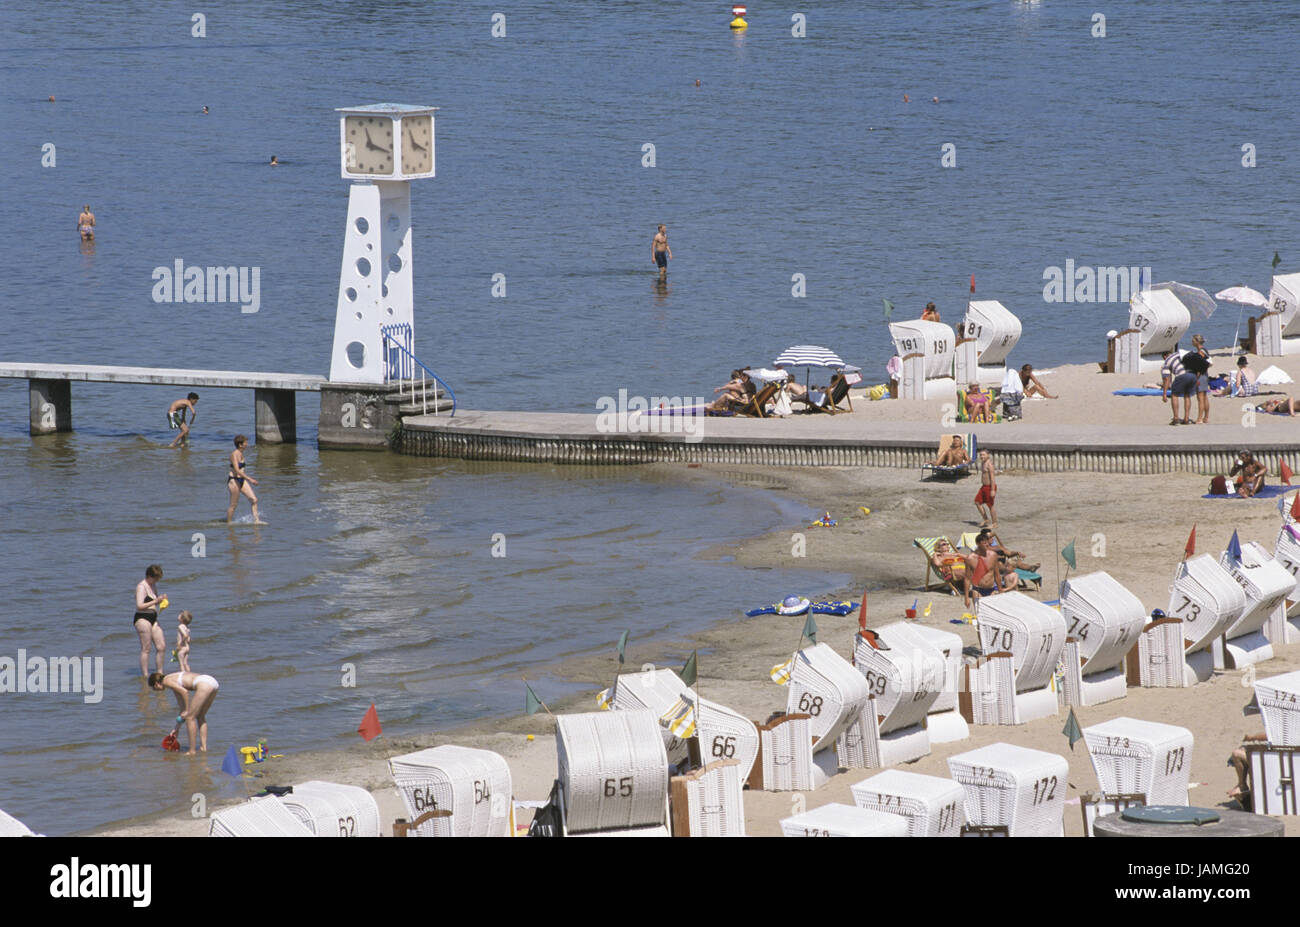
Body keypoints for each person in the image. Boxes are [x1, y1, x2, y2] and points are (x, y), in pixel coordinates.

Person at [149, 671, 219, 755]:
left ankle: (192, 751)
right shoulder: (172, 681)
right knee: (200, 716)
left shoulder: (166, 681)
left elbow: (185, 692)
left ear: (156, 683)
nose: (155, 691)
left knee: (190, 718)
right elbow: (182, 709)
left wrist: (187, 711)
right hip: (213, 682)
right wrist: (176, 729)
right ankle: (203, 748)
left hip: (203, 684)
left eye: (153, 688)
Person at [134, 565, 168, 677]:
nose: (157, 581)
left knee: (161, 646)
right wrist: (155, 601)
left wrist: (162, 600)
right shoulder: (141, 587)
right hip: (143, 618)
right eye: (156, 578)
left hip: (153, 618)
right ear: (149, 576)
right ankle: (145, 675)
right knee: (146, 648)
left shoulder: (153, 586)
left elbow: (156, 601)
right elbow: (139, 605)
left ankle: (159, 673)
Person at [964, 529, 1010, 607]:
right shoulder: (970, 559)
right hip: (977, 590)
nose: (987, 545)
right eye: (984, 543)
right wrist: (966, 597)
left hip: (991, 589)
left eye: (988, 543)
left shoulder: (993, 555)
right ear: (978, 544)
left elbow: (997, 575)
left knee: (992, 615)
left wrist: (1001, 591)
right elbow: (967, 578)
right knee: (980, 615)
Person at [1227, 731, 1268, 808]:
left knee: (1236, 754)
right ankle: (1242, 786)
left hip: (1272, 760)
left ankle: (1242, 786)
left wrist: (1252, 738)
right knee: (1242, 749)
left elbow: (1271, 736)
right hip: (1276, 756)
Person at [226, 434, 260, 522]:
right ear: (240, 445)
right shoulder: (234, 454)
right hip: (234, 480)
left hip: (242, 480)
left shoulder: (241, 453)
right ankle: (229, 524)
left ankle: (256, 521)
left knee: (254, 500)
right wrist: (250, 479)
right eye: (246, 443)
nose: (247, 444)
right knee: (233, 505)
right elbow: (237, 470)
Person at [1160, 345, 1194, 425]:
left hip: (1181, 375)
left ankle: (1176, 418)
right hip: (1192, 374)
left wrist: (1164, 394)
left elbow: (1167, 379)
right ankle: (1186, 418)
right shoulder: (1179, 354)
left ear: (1164, 356)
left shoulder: (1166, 362)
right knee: (1187, 395)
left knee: (1174, 395)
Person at [1182, 350, 1212, 425]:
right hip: (1205, 377)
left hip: (1200, 379)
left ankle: (1199, 418)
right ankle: (1206, 417)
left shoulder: (1199, 361)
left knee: (1200, 399)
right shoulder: (1204, 362)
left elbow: (1198, 372)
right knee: (1205, 398)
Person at [974, 449, 997, 528]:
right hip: (983, 487)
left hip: (989, 487)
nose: (981, 456)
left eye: (983, 455)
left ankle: (995, 523)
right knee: (977, 502)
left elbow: (992, 478)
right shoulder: (983, 463)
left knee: (990, 505)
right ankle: (986, 519)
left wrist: (993, 490)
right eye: (980, 455)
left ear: (988, 455)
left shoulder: (989, 464)